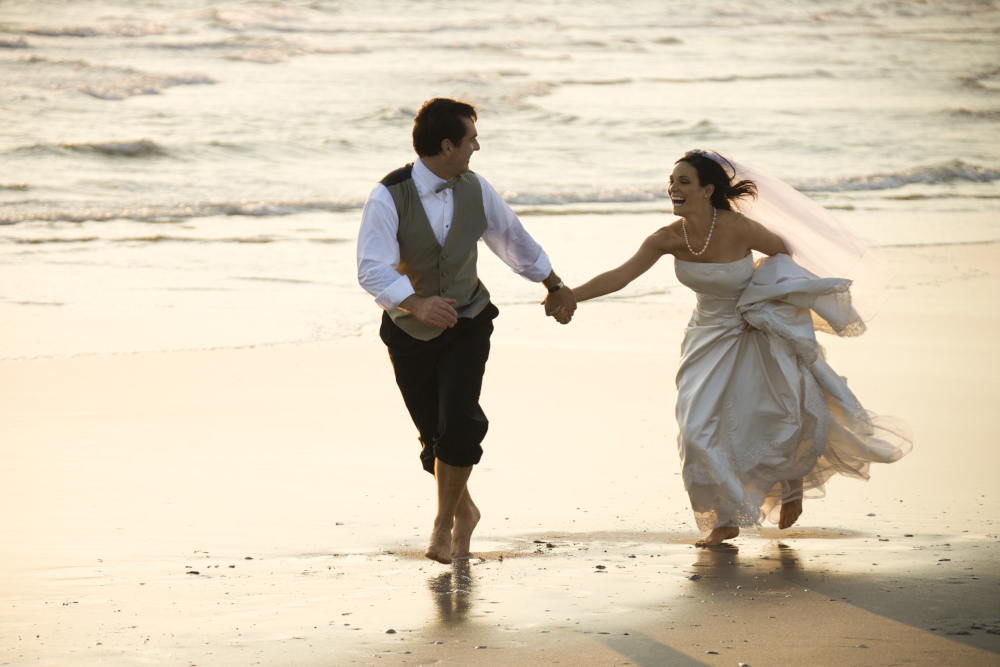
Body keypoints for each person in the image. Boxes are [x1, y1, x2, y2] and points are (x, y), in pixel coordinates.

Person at [554, 150, 911, 547]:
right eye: (671, 182)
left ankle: (791, 484)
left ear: (708, 190)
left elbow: (783, 256)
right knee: (695, 431)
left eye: (684, 181)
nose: (674, 189)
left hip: (753, 327)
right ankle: (723, 519)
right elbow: (620, 276)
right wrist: (568, 294)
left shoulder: (740, 228)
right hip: (705, 336)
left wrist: (759, 302)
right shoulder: (666, 238)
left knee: (772, 415)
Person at [357, 98, 576, 564]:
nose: (477, 145)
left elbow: (511, 238)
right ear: (446, 146)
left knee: (460, 422)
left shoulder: (476, 188)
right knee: (432, 440)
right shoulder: (387, 196)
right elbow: (370, 268)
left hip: (469, 320)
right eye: (471, 138)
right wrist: (415, 302)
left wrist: (553, 285)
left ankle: (441, 528)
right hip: (406, 330)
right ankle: (466, 511)